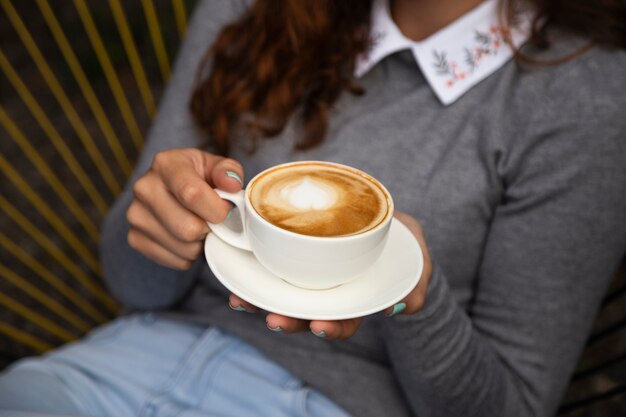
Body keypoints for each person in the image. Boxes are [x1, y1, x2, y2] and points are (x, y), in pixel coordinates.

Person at [1, 0, 625, 416]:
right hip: (113, 370)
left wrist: (416, 293)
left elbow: (509, 405)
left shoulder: (585, 95)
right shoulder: (252, 7)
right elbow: (134, 287)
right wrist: (160, 226)